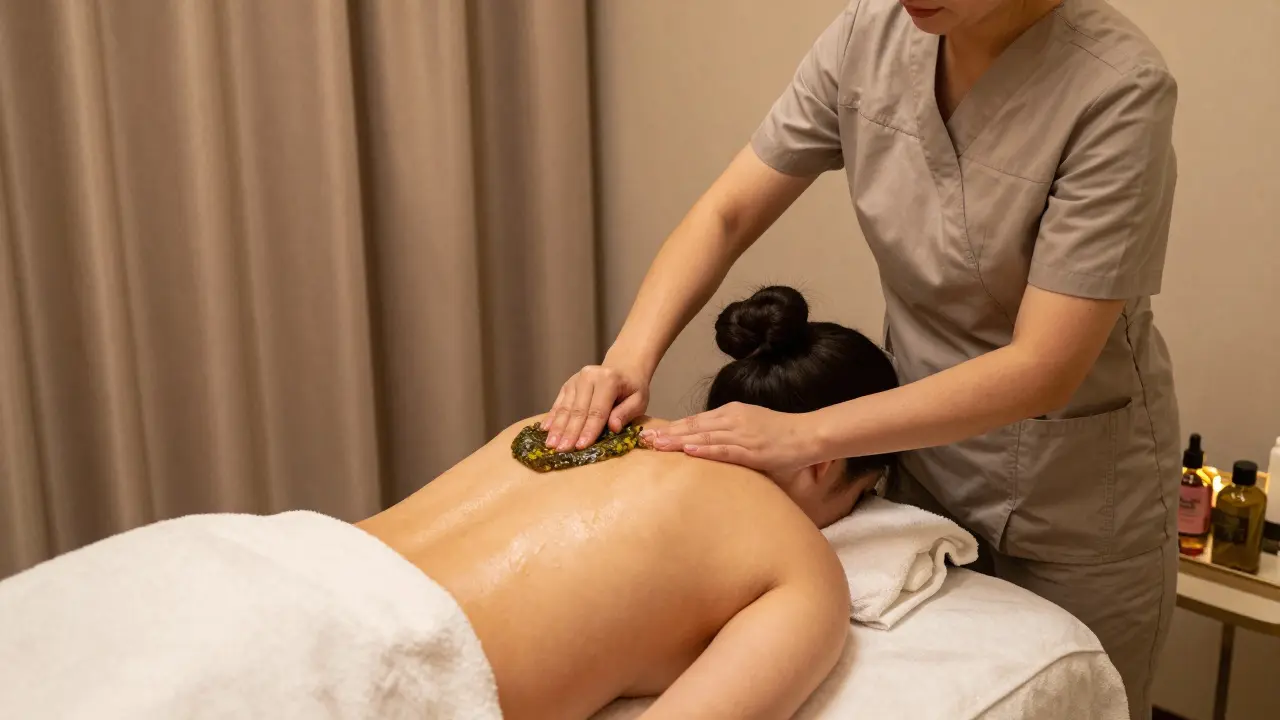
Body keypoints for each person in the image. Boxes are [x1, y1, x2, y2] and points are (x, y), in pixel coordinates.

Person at [541, 2, 1180, 718]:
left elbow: (1044, 367)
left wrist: (803, 434)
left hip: (1076, 494)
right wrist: (628, 357)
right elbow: (726, 214)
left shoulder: (1117, 90)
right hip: (914, 454)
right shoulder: (868, 35)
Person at [0, 288, 899, 720]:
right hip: (330, 663)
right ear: (832, 467)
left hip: (220, 564)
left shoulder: (560, 425)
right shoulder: (798, 565)